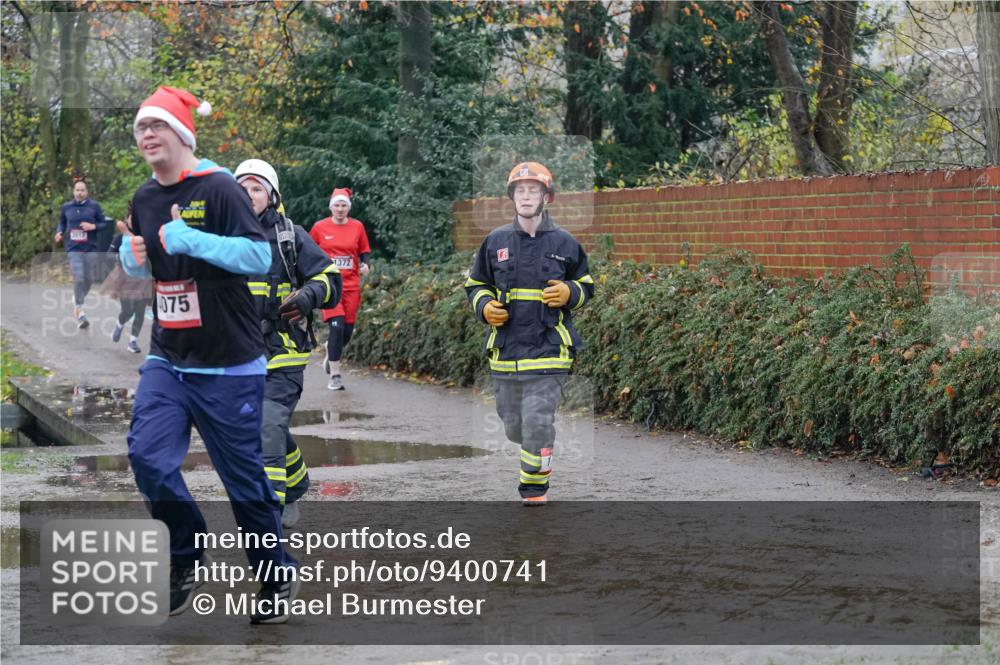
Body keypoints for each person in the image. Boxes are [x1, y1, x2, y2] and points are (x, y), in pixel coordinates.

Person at [119, 85, 298, 624]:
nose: (147, 136)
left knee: (244, 483)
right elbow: (148, 268)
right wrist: (130, 260)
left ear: (181, 133)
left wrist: (189, 238)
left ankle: (274, 573)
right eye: (140, 129)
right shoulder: (144, 198)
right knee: (147, 457)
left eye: (156, 126)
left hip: (228, 364)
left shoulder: (219, 188)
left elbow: (256, 256)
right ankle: (185, 547)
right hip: (168, 358)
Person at [464, 162, 595, 506]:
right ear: (512, 197)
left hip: (550, 348)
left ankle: (534, 490)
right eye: (519, 190)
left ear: (546, 197)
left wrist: (569, 292)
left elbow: (586, 284)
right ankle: (536, 456)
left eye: (532, 190)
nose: (525, 196)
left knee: (537, 422)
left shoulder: (565, 242)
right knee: (513, 426)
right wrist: (485, 306)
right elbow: (476, 283)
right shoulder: (495, 241)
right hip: (507, 354)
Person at [234, 158, 342, 529]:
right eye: (242, 188)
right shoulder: (221, 239)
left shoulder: (289, 236)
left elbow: (330, 279)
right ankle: (296, 484)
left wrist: (308, 297)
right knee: (263, 430)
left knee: (267, 427)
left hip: (282, 352)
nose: (248, 196)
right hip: (236, 357)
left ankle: (270, 514)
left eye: (256, 188)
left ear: (272, 195)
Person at [309, 187, 370, 391]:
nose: (341, 209)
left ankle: (330, 349)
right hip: (330, 285)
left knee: (347, 331)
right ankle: (335, 375)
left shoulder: (357, 227)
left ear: (348, 207)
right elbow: (307, 250)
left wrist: (365, 264)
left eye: (344, 205)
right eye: (337, 205)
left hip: (352, 285)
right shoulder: (319, 227)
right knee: (336, 325)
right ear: (331, 207)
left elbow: (364, 251)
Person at [55, 177, 108, 328]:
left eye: (82, 190)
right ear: (73, 191)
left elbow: (103, 223)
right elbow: (62, 222)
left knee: (89, 279)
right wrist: (59, 232)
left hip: (90, 247)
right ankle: (80, 309)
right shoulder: (67, 207)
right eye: (77, 190)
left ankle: (78, 298)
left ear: (86, 192)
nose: (80, 193)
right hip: (73, 249)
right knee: (78, 278)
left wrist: (93, 227)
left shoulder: (94, 206)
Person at [101, 200, 152, 354]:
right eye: (133, 217)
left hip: (144, 279)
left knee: (140, 311)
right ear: (127, 218)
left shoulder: (146, 235)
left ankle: (133, 342)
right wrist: (119, 259)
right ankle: (119, 324)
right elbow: (109, 256)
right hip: (126, 279)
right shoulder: (120, 238)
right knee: (128, 311)